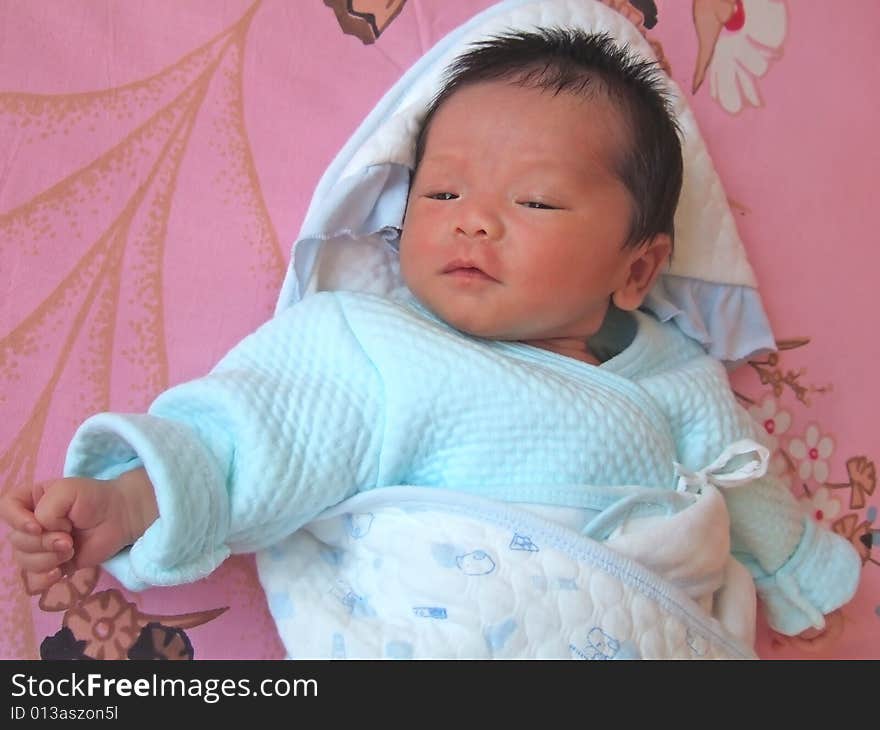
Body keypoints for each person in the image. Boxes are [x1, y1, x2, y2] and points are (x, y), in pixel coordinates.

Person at [0, 29, 859, 648]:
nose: (474, 223)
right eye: (442, 195)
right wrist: (131, 500)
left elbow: (741, 480)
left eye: (536, 203)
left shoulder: (674, 375)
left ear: (636, 271)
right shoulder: (372, 345)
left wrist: (799, 574)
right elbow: (253, 433)